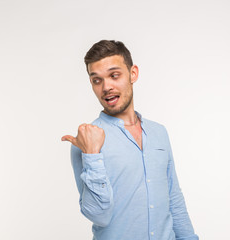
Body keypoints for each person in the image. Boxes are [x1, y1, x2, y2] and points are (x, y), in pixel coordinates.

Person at [61, 40, 198, 240]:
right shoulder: (86, 142)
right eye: (97, 80)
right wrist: (92, 155)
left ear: (133, 73)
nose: (106, 86)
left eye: (114, 75)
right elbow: (100, 216)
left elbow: (174, 200)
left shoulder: (159, 133)